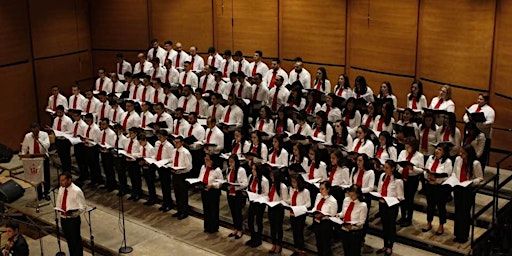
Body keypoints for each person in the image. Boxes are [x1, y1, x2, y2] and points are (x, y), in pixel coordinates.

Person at [453, 145, 483, 243]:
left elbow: (480, 178)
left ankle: (464, 236)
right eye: (460, 152)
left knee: (465, 213)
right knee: (457, 211)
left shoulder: (475, 163)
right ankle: (457, 234)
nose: (461, 154)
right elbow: (454, 172)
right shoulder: (458, 159)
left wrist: (471, 182)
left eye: (463, 153)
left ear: (469, 154)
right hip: (458, 188)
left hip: (468, 190)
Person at [422, 142, 453, 235]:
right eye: (436, 149)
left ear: (444, 152)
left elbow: (447, 176)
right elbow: (425, 170)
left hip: (440, 188)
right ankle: (429, 223)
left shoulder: (448, 162)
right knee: (430, 206)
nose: (436, 151)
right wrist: (428, 176)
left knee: (441, 207)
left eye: (440, 149)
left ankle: (441, 226)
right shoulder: (430, 158)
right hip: (429, 186)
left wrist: (436, 179)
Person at [376, 160, 404, 256]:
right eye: (384, 167)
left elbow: (400, 197)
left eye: (387, 167)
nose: (385, 169)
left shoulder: (398, 180)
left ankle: (390, 246)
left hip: (392, 206)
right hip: (382, 204)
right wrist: (379, 196)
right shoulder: (382, 176)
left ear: (392, 168)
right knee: (384, 226)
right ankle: (384, 245)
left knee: (391, 227)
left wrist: (390, 200)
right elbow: (379, 189)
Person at [56, 172, 86, 256]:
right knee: (69, 240)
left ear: (69, 180)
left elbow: (83, 206)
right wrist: (59, 209)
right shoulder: (61, 189)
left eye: (63, 180)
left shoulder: (76, 191)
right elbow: (59, 201)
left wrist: (74, 213)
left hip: (73, 220)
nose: (61, 182)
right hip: (63, 218)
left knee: (75, 240)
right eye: (60, 180)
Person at [397, 138, 424, 227]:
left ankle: (409, 219)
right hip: (402, 178)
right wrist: (402, 169)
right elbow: (398, 165)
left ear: (414, 146)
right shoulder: (402, 152)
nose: (406, 147)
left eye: (408, 146)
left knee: (409, 200)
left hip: (412, 179)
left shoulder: (419, 155)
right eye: (406, 145)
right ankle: (403, 216)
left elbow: (421, 170)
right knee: (402, 198)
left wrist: (412, 168)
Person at [21, 123, 50, 200]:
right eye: (33, 130)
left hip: (43, 158)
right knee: (36, 176)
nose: (34, 131)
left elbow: (47, 146)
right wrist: (24, 157)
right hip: (33, 159)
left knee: (46, 176)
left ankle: (47, 192)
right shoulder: (28, 136)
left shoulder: (44, 134)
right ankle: (39, 193)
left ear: (39, 128)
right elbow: (24, 148)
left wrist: (38, 139)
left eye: (36, 130)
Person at [197, 154, 224, 233]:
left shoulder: (217, 170)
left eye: (207, 160)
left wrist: (212, 185)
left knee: (213, 210)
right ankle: (207, 226)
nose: (206, 161)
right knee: (206, 209)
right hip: (204, 190)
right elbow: (200, 177)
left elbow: (221, 183)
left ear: (212, 161)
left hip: (213, 192)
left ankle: (214, 227)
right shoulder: (203, 167)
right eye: (205, 159)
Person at [245, 163, 269, 248]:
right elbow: (249, 188)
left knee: (258, 221)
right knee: (250, 220)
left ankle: (258, 239)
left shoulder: (264, 180)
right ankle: (253, 237)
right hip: (252, 202)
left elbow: (266, 194)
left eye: (254, 169)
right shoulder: (251, 177)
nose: (252, 171)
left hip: (260, 203)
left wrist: (258, 197)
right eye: (252, 169)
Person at [339, 185, 367, 256]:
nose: (351, 197)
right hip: (344, 229)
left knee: (354, 252)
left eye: (353, 195)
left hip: (355, 233)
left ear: (358, 194)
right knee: (346, 250)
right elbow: (343, 213)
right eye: (350, 195)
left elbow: (362, 222)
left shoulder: (362, 205)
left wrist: (352, 226)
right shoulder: (346, 200)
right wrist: (338, 215)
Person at [286, 174, 310, 255]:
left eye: (294, 182)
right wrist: (286, 201)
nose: (293, 184)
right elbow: (291, 200)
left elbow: (308, 204)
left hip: (300, 214)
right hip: (292, 213)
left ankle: (302, 250)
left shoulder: (305, 191)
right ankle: (296, 249)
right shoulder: (292, 190)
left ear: (299, 182)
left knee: (299, 232)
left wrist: (300, 208)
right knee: (294, 232)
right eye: (292, 182)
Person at [312, 181, 338, 256]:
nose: (320, 191)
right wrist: (314, 211)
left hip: (326, 224)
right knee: (318, 243)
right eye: (320, 188)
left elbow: (333, 215)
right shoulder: (318, 195)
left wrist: (323, 215)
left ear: (328, 189)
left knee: (326, 244)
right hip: (316, 221)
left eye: (322, 189)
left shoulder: (333, 201)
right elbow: (315, 207)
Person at [226, 154, 248, 239]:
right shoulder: (229, 169)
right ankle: (235, 228)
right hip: (230, 193)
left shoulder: (241, 170)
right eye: (229, 162)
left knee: (238, 212)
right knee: (233, 212)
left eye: (232, 162)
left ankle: (240, 230)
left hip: (238, 194)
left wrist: (235, 186)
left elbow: (245, 183)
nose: (230, 164)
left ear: (236, 162)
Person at [170, 136, 193, 220]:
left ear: (182, 142)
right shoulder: (173, 151)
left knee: (183, 194)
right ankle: (179, 210)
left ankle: (185, 212)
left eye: (178, 142)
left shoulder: (185, 152)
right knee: (177, 193)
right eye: (175, 142)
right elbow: (173, 161)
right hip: (175, 174)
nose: (176, 144)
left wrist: (181, 170)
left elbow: (189, 167)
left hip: (182, 175)